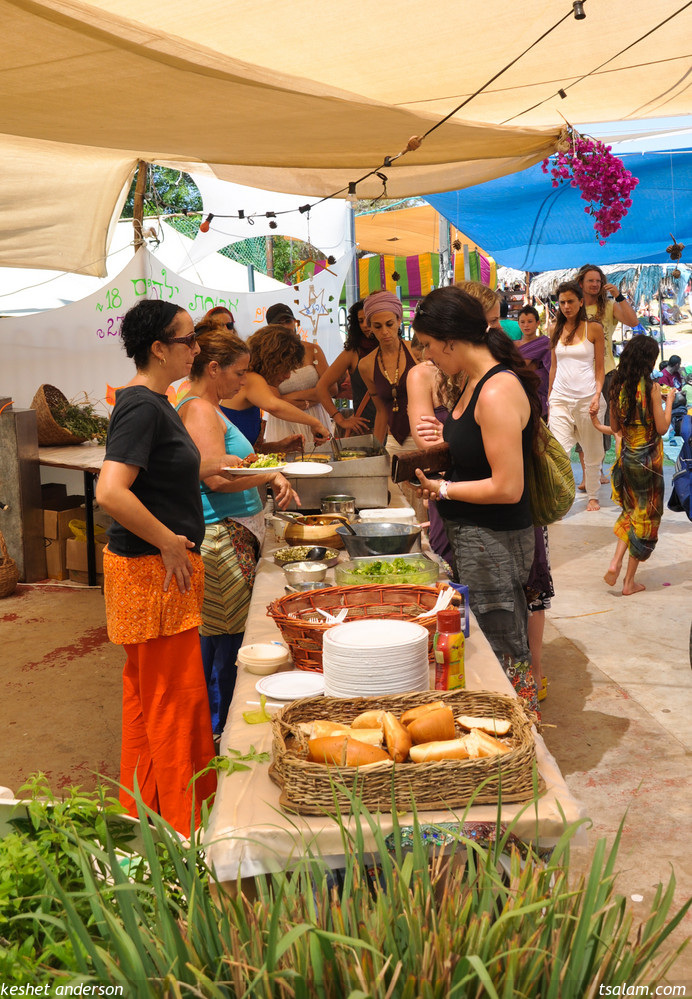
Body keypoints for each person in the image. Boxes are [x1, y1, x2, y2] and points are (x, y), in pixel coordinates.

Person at [95, 299, 222, 835]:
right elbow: (110, 492)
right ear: (158, 348)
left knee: (150, 703)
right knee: (173, 705)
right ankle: (182, 827)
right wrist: (168, 541)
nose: (197, 348)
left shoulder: (156, 400)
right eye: (188, 339)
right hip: (153, 573)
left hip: (155, 572)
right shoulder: (142, 406)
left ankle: (145, 820)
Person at [411, 285, 542, 713]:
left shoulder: (495, 389)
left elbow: (507, 486)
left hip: (494, 542)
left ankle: (523, 732)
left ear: (450, 341)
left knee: (505, 651)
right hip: (476, 540)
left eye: (428, 345)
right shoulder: (471, 383)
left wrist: (443, 489)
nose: (427, 355)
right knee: (490, 646)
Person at [176, 329, 299, 736]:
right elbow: (216, 479)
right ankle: (220, 728)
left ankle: (216, 723)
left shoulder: (207, 406)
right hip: (220, 538)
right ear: (214, 369)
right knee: (225, 641)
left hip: (230, 533)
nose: (244, 381)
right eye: (240, 372)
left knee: (222, 637)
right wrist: (270, 475)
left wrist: (269, 466)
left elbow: (230, 466)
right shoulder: (199, 409)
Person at [593, 337, 674, 595]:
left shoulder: (617, 386)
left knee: (631, 511)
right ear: (648, 360)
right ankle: (628, 581)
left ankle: (615, 562)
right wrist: (669, 401)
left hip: (627, 459)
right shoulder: (651, 388)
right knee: (646, 518)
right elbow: (662, 428)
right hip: (648, 463)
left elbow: (616, 427)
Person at [220, 325, 330, 449]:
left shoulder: (251, 382)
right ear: (272, 362)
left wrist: (280, 446)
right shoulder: (251, 379)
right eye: (286, 368)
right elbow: (274, 406)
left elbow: (250, 449)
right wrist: (314, 423)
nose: (288, 376)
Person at [548, 281, 606, 511]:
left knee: (592, 450)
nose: (566, 306)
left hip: (587, 398)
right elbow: (553, 367)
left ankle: (593, 495)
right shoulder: (554, 328)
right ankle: (560, 500)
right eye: (562, 302)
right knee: (558, 451)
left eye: (570, 301)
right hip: (560, 398)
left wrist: (597, 395)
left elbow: (600, 368)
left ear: (581, 302)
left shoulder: (594, 328)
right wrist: (550, 397)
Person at [358, 289, 418, 453]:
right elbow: (382, 411)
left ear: (399, 320)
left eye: (389, 324)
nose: (384, 332)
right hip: (394, 442)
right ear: (370, 327)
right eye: (377, 326)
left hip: (425, 438)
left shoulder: (418, 353)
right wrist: (376, 451)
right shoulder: (366, 365)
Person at [259, 324, 336, 445]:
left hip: (316, 414)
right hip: (283, 422)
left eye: (287, 320)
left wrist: (290, 397)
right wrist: (314, 420)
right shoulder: (258, 372)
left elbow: (331, 389)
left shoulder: (313, 349)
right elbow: (275, 404)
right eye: (284, 370)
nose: (288, 376)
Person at [314, 299, 377, 436]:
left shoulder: (395, 349)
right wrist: (340, 419)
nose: (365, 325)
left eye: (368, 319)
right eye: (360, 321)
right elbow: (321, 387)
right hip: (366, 431)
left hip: (397, 427)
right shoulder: (352, 353)